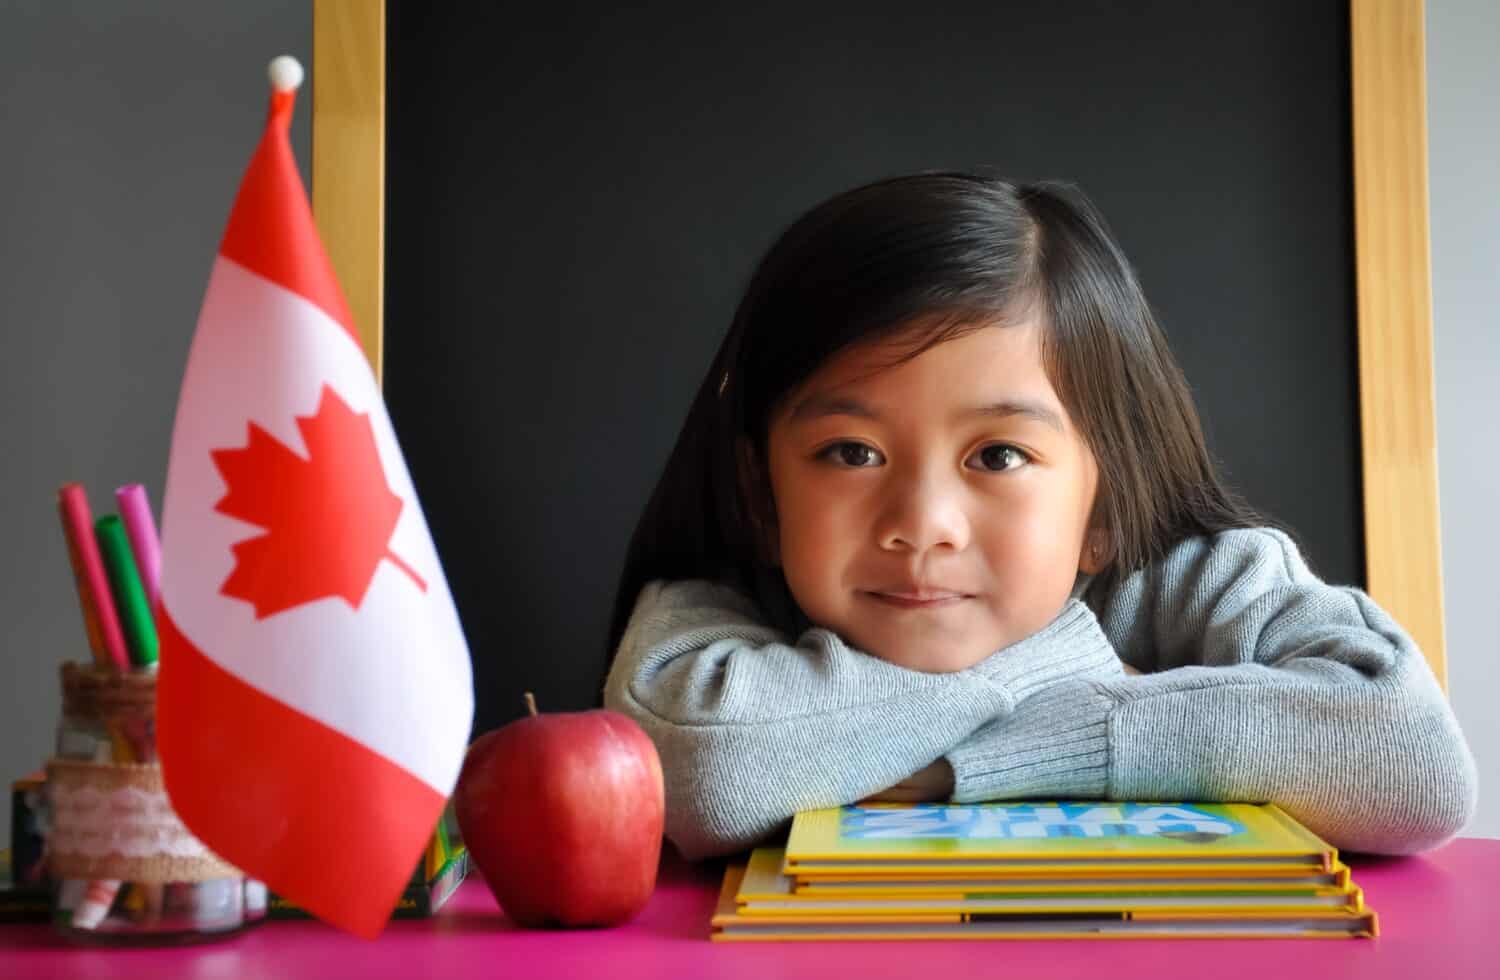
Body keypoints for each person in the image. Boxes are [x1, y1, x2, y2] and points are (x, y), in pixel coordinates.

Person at [600, 172, 1477, 862]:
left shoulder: (1199, 581)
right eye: (851, 453)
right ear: (762, 492)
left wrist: (961, 765)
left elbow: (1410, 760)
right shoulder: (714, 612)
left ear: (1105, 496)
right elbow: (701, 768)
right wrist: (1059, 660)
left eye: (999, 456)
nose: (924, 524)